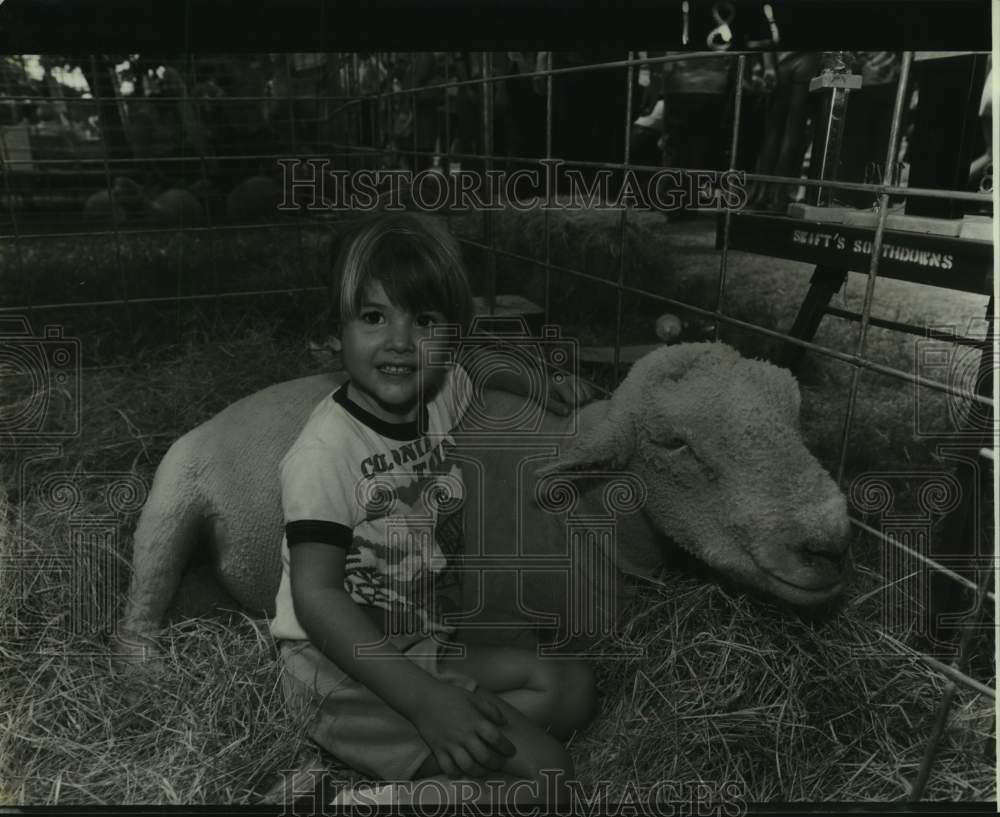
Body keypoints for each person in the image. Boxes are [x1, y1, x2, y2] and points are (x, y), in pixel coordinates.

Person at [269, 211, 598, 807]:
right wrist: (425, 699)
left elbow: (480, 366)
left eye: (423, 320)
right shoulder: (325, 453)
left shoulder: (440, 391)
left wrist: (540, 383)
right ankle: (355, 804)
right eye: (373, 317)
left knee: (571, 686)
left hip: (415, 639)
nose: (398, 341)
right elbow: (317, 597)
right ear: (335, 331)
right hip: (339, 669)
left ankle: (434, 748)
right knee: (551, 781)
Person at [747, 52, 821, 212]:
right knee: (794, 131)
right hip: (807, 60)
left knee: (773, 132)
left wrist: (768, 66)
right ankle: (780, 195)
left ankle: (762, 193)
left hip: (778, 62)